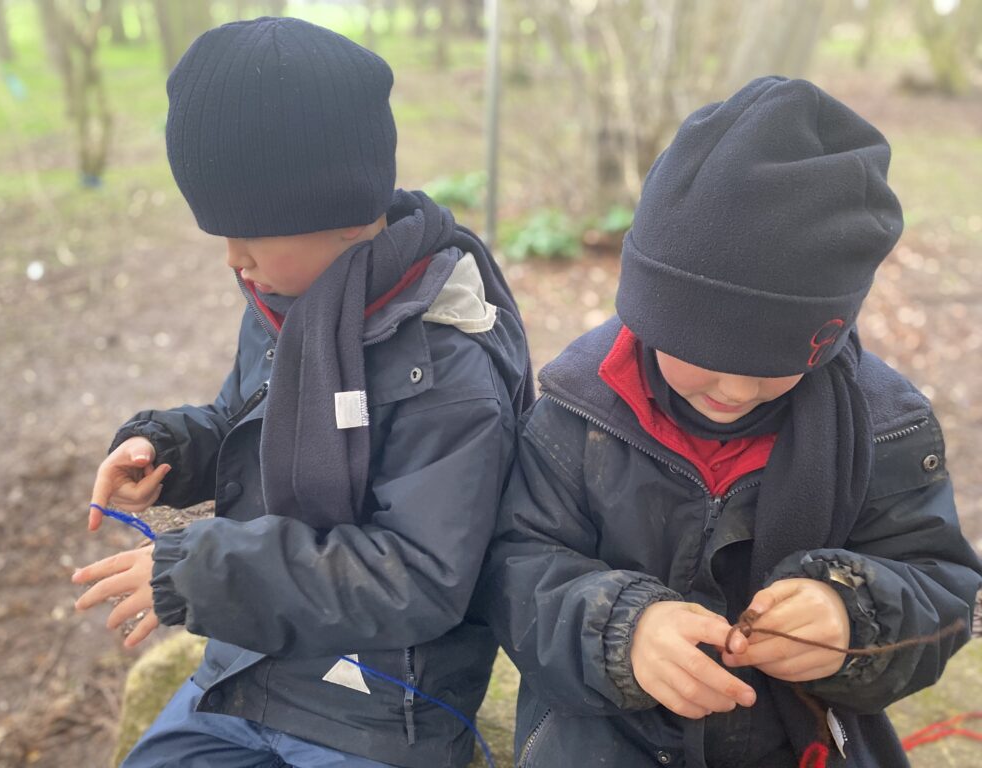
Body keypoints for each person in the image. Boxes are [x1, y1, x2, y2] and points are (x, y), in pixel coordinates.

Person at [473, 76, 982, 768]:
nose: (736, 386)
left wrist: (853, 616)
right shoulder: (577, 412)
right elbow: (516, 566)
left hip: (796, 740)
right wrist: (622, 631)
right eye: (708, 352)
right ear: (648, 311)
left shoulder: (883, 427)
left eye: (774, 359)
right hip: (602, 740)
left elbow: (942, 590)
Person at [71, 16, 532, 768]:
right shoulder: (287, 302)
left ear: (340, 210)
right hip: (249, 667)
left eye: (249, 233)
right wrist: (168, 447)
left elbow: (419, 577)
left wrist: (202, 571)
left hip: (383, 709)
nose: (232, 259)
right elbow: (242, 420)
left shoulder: (446, 366)